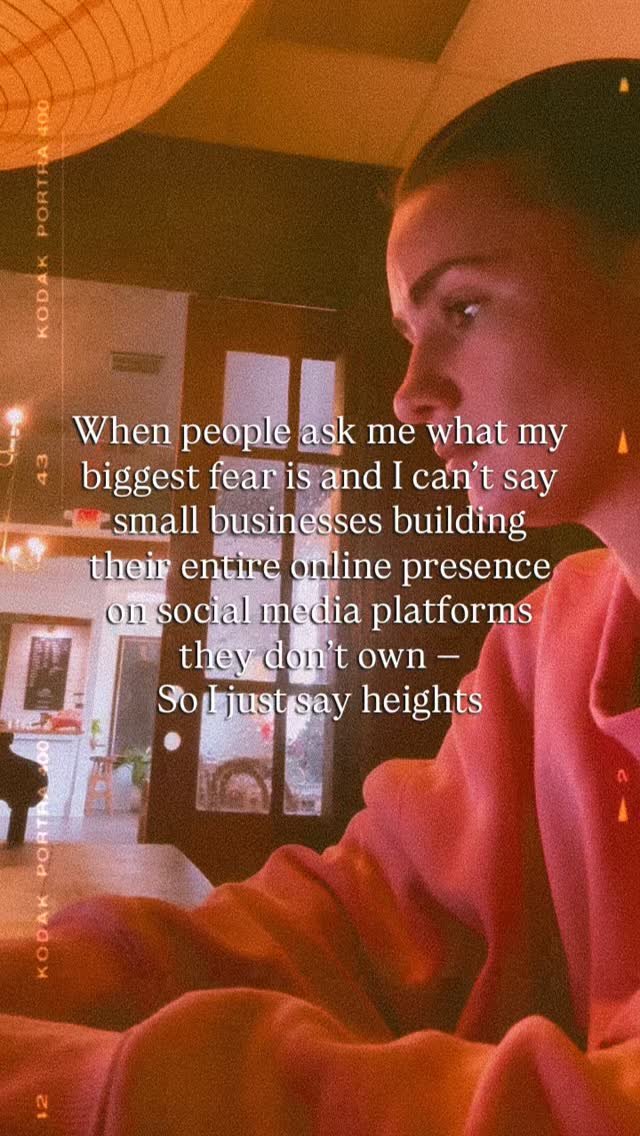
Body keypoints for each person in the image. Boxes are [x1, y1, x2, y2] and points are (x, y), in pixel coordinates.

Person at [1, 58, 640, 1135]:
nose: (410, 394)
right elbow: (358, 925)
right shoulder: (550, 641)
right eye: (410, 334)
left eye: (464, 307)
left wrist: (114, 1094)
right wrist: (46, 974)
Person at [0, 727, 48, 846]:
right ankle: (15, 841)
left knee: (20, 803)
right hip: (27, 780)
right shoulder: (31, 767)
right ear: (11, 739)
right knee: (20, 805)